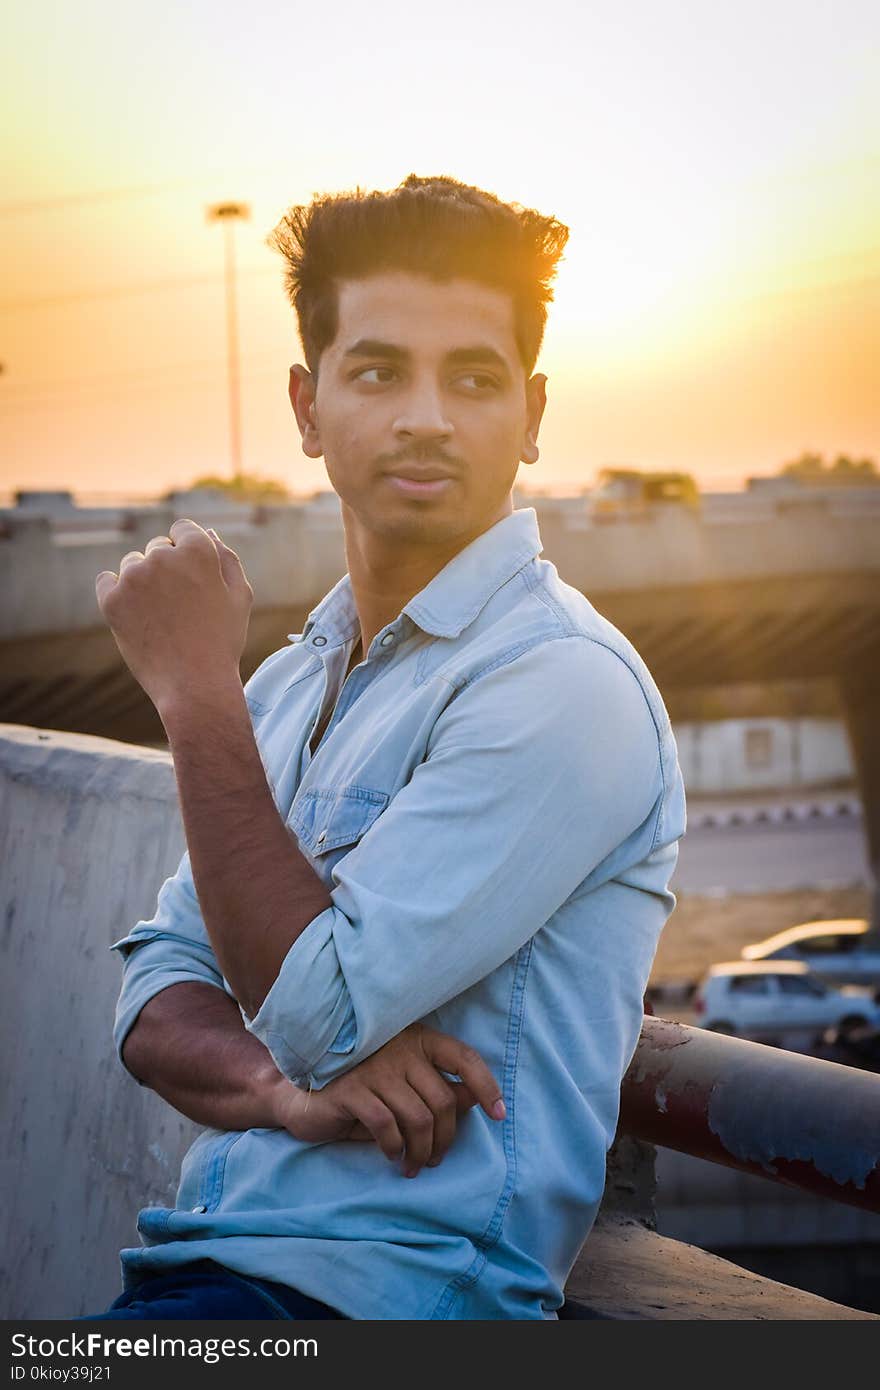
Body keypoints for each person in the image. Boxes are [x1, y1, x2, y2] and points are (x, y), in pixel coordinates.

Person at [87, 174, 686, 1321]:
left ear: (533, 410)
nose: (426, 415)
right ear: (308, 411)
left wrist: (191, 690)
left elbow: (320, 1005)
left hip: (395, 1300)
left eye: (473, 377)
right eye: (378, 371)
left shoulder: (560, 681)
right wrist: (279, 1087)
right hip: (209, 1281)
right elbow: (154, 999)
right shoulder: (288, 682)